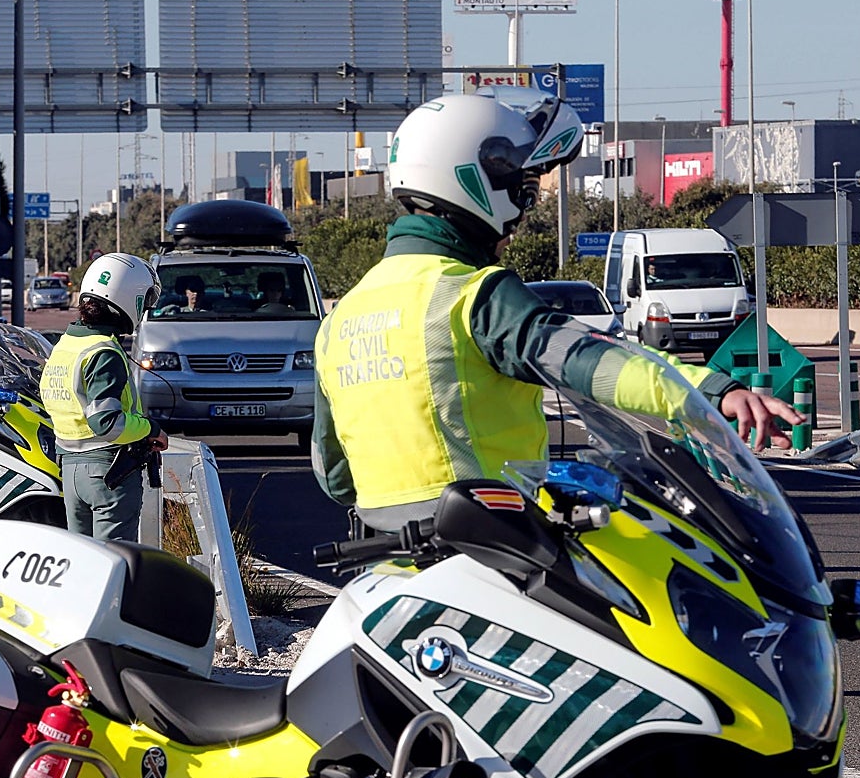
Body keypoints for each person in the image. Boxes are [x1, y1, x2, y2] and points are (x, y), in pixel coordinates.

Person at [311, 88, 803, 533]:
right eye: (523, 191)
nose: (523, 213)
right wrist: (707, 391)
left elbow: (333, 475)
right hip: (493, 551)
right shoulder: (469, 294)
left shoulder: (339, 322)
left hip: (388, 565)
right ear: (474, 182)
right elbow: (589, 361)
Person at [40, 253, 168, 541]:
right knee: (114, 565)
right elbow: (106, 422)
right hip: (108, 471)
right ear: (128, 298)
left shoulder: (65, 347)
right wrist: (151, 429)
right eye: (144, 302)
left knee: (84, 565)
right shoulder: (104, 352)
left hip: (71, 472)